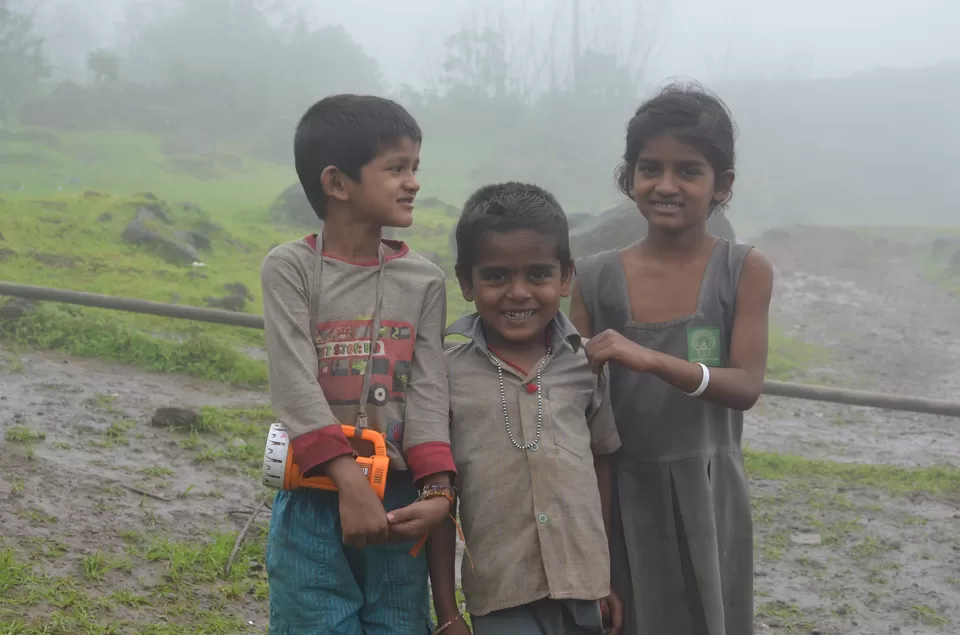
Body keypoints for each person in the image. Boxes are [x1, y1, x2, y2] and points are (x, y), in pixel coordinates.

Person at [570, 83, 774, 635]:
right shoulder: (593, 277)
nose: (666, 185)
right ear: (628, 176)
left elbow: (745, 385)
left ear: (721, 185)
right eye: (649, 167)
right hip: (618, 490)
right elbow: (576, 403)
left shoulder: (743, 270)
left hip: (710, 490)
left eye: (688, 170)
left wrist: (652, 360)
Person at [260, 94, 458, 635]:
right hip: (316, 494)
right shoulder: (291, 269)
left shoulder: (424, 280)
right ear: (337, 183)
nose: (413, 182)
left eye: (415, 167)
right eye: (396, 168)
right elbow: (294, 384)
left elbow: (428, 390)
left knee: (398, 622)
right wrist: (348, 481)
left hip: (399, 502)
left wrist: (437, 490)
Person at [428, 182, 624, 635]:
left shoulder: (586, 365)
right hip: (501, 593)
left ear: (566, 276)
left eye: (538, 274)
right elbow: (438, 496)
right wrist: (446, 612)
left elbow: (602, 465)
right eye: (496, 276)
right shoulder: (444, 373)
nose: (519, 292)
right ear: (465, 281)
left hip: (583, 588)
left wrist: (604, 575)